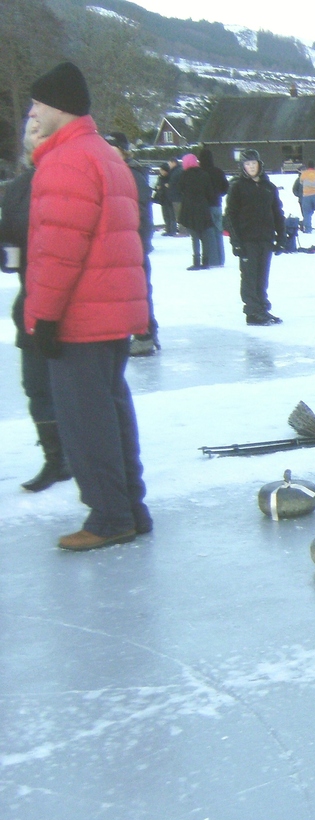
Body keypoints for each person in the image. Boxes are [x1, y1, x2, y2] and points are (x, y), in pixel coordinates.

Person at [23, 61, 151, 550]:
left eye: (37, 104)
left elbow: (57, 250)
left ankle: (109, 517)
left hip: (81, 315)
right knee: (112, 411)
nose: (32, 112)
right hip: (111, 313)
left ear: (57, 107)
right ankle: (129, 508)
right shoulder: (101, 154)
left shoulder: (67, 160)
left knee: (86, 421)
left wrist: (45, 316)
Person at [2, 115, 71, 493]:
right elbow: (11, 237)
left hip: (73, 303)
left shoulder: (68, 177)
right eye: (29, 132)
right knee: (36, 386)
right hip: (31, 299)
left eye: (39, 131)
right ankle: (55, 459)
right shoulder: (17, 187)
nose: (33, 137)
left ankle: (84, 456)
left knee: (74, 388)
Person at [103, 132, 158, 356]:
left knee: (138, 291)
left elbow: (142, 214)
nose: (108, 151)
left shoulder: (132, 174)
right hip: (117, 245)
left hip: (133, 245)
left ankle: (145, 335)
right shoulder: (109, 171)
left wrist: (140, 243)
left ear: (123, 150)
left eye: (113, 147)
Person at [225, 148, 285, 325]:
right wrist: (235, 242)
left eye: (253, 163)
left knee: (262, 276)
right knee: (250, 276)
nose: (251, 167)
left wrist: (281, 237)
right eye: (247, 164)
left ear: (260, 165)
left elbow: (277, 212)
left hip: (265, 238)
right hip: (247, 239)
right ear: (243, 167)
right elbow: (230, 215)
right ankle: (252, 311)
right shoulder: (237, 187)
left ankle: (262, 308)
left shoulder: (268, 187)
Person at [178, 153, 216, 270]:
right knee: (205, 236)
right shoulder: (204, 175)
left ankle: (196, 261)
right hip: (203, 207)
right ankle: (206, 261)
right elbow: (210, 193)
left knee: (194, 236)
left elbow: (180, 190)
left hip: (189, 208)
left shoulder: (183, 175)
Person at [199, 146, 228, 267]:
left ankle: (213, 259)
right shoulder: (218, 171)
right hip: (217, 204)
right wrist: (219, 194)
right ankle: (221, 259)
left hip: (206, 206)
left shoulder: (201, 172)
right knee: (218, 232)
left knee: (209, 233)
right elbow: (225, 187)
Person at [153, 163, 178, 235]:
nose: (161, 171)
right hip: (163, 198)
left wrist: (165, 187)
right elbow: (157, 186)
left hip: (169, 199)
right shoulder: (160, 177)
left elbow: (171, 187)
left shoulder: (170, 177)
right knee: (165, 215)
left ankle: (172, 230)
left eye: (162, 170)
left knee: (171, 215)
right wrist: (157, 188)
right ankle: (168, 229)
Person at [166, 157, 183, 234]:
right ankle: (179, 230)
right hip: (174, 197)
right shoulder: (175, 171)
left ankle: (183, 231)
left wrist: (170, 185)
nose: (168, 165)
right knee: (177, 215)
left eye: (169, 163)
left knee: (179, 215)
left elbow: (178, 184)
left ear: (174, 162)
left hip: (177, 197)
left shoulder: (177, 171)